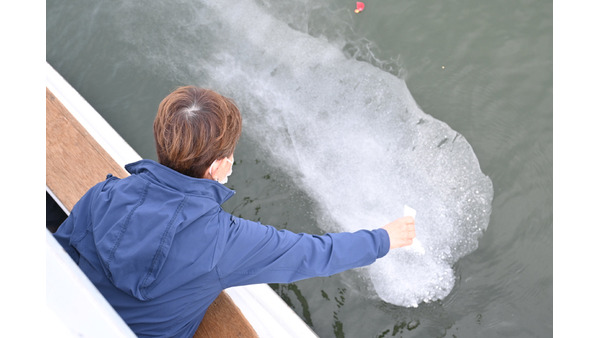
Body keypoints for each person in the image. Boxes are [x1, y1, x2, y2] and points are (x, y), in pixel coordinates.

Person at [53, 86, 416, 337]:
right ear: (216, 167)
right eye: (230, 156)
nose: (232, 161)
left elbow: (58, 255)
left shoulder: (103, 194)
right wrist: (385, 238)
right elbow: (313, 254)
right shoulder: (224, 242)